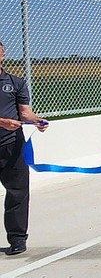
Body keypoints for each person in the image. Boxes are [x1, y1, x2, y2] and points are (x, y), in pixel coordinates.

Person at [0, 40, 48, 256]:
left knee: (18, 193)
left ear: (3, 56)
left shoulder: (16, 83)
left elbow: (25, 113)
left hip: (12, 147)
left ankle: (17, 239)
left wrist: (37, 121)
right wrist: (2, 122)